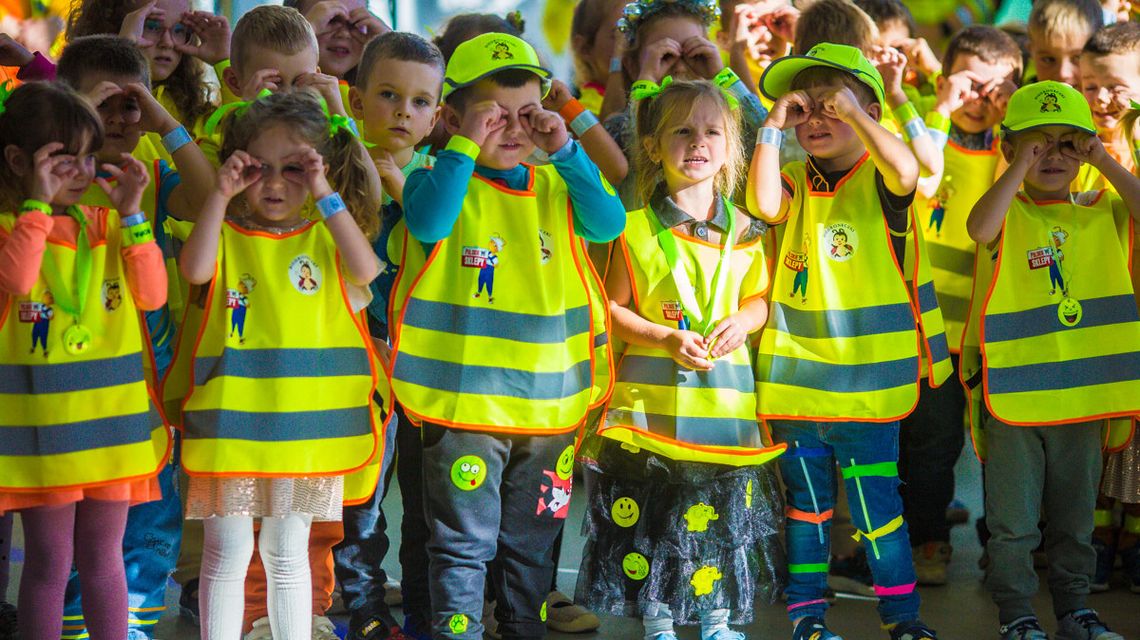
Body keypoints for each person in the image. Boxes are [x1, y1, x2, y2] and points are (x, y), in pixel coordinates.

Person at [389, 32, 624, 639]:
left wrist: (566, 148)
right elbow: (429, 221)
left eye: (527, 114)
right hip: (464, 403)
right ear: (450, 118)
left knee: (533, 541)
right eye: (493, 116)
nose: (513, 129)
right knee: (462, 542)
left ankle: (525, 628)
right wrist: (463, 145)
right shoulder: (434, 176)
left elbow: (609, 223)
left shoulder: (557, 183)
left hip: (546, 407)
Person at [748, 42, 951, 640]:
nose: (817, 120)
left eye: (833, 107)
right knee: (806, 513)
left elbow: (910, 170)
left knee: (877, 512)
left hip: (870, 386)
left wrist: (859, 115)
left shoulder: (883, 179)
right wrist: (769, 127)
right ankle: (806, 617)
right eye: (806, 108)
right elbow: (762, 203)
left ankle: (902, 618)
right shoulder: (789, 178)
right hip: (796, 383)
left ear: (869, 115)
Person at [576, 76, 786, 640]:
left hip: (722, 412)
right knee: (652, 517)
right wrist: (664, 339)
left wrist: (743, 321)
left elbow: (759, 301)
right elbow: (611, 309)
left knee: (714, 520)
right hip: (649, 414)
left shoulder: (747, 231)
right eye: (682, 131)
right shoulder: (634, 230)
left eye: (712, 131)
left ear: (731, 146)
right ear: (652, 146)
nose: (698, 142)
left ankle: (716, 619)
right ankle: (660, 620)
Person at [173, 89, 383, 639]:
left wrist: (323, 189)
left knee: (287, 551)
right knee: (227, 551)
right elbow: (195, 271)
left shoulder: (328, 237)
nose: (273, 183)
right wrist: (219, 194)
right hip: (231, 427)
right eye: (259, 168)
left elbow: (365, 268)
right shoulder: (224, 234)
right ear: (237, 165)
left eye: (294, 169)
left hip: (305, 431)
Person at [963, 79, 1140, 640]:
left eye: (1069, 144)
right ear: (1011, 149)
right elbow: (979, 227)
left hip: (1081, 397)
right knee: (1013, 526)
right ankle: (1017, 614)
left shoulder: (1101, 210)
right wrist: (1020, 164)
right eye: (1039, 144)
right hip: (1015, 399)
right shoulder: (1005, 213)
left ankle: (1075, 609)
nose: (1055, 155)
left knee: (1074, 521)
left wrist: (1103, 159)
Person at [52, 33, 215, 638]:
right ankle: (74, 621)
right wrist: (75, 125)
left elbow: (205, 199)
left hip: (149, 355)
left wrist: (162, 117)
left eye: (130, 104)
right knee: (76, 504)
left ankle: (135, 620)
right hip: (69, 368)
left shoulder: (146, 160)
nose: (119, 118)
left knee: (152, 497)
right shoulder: (46, 165)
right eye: (104, 102)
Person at [0, 81, 169, 640]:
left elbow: (152, 295)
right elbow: (19, 279)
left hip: (112, 429)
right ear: (19, 160)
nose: (79, 170)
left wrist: (135, 214)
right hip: (42, 438)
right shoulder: (13, 230)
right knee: (49, 565)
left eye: (87, 157)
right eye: (61, 158)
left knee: (104, 561)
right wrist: (35, 206)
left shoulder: (110, 226)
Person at [902, 24, 1022, 586]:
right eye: (970, 83)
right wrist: (941, 104)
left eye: (998, 89)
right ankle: (923, 537)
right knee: (923, 444)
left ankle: (971, 542)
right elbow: (914, 178)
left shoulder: (1013, 149)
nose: (981, 100)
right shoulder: (928, 126)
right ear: (946, 78)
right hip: (921, 328)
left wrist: (1012, 118)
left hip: (983, 332)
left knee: (975, 446)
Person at [341, 29, 445, 640]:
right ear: (356, 101)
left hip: (427, 350)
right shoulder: (336, 166)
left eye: (420, 102)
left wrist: (403, 186)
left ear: (436, 116)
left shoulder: (439, 174)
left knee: (429, 494)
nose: (403, 112)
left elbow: (447, 242)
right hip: (359, 343)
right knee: (364, 488)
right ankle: (364, 606)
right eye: (387, 95)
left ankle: (428, 609)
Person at [1076, 20, 1140, 594]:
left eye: (1116, 86)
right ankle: (1095, 537)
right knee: (1100, 432)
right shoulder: (1069, 140)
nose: (1102, 99)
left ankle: (1134, 537)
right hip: (1091, 319)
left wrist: (1106, 162)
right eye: (1091, 85)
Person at [66, 0, 231, 136]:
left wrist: (223, 62)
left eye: (180, 30)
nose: (167, 42)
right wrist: (124, 47)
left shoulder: (191, 108)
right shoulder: (86, 100)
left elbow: (240, 142)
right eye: (151, 26)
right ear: (113, 27)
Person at [283, 0, 389, 84]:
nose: (344, 34)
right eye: (331, 20)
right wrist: (304, 31)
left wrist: (388, 46)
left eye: (355, 23)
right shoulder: (270, 83)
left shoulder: (372, 91)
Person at [1026, 0, 1103, 86]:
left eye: (1078, 57)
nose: (1063, 74)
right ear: (1031, 52)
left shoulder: (1111, 96)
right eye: (1048, 59)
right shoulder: (1018, 91)